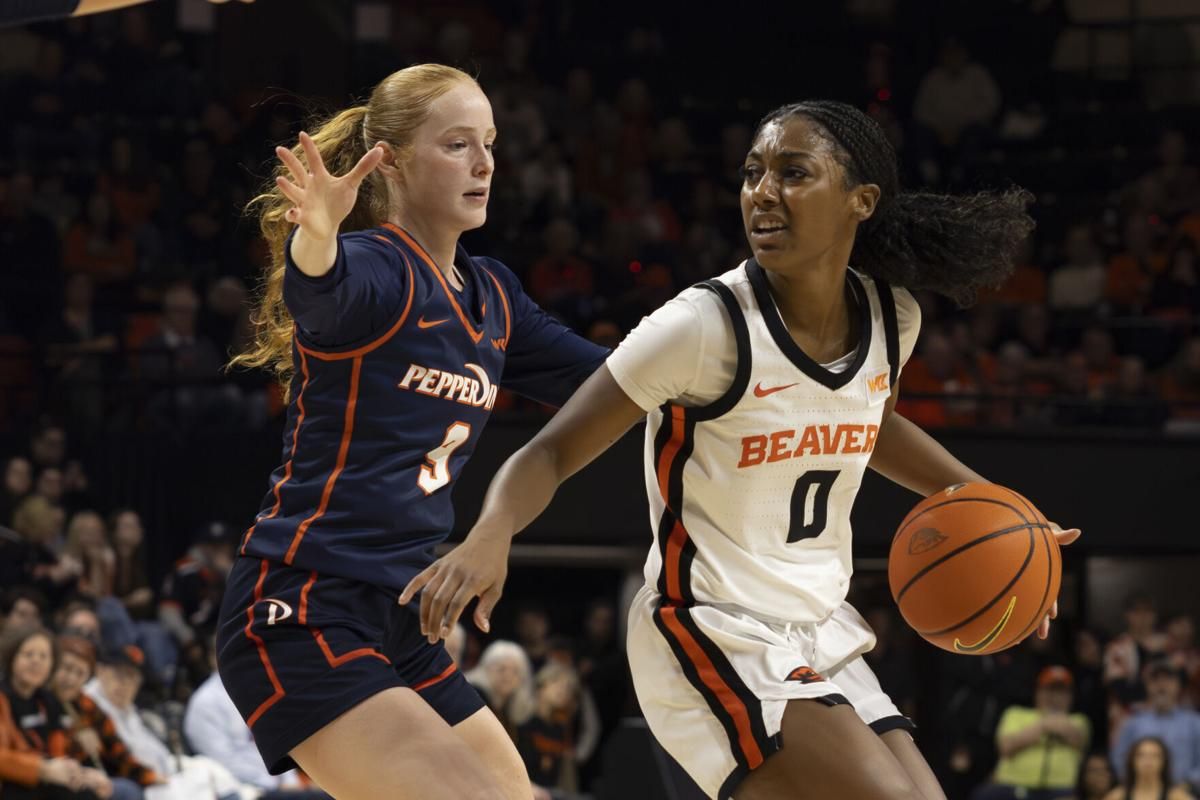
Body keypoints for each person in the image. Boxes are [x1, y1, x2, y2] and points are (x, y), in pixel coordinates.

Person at [402, 100, 1079, 800]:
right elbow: (550, 450)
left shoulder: (890, 316)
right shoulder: (703, 326)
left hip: (819, 627)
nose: (762, 191)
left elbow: (867, 419)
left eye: (794, 172)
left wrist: (1001, 507)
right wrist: (491, 532)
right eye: (753, 172)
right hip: (708, 626)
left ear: (862, 201)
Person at [215, 63, 606, 800]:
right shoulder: (377, 269)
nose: (484, 162)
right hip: (304, 609)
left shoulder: (494, 294)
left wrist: (712, 339)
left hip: (403, 620)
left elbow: (613, 383)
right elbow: (324, 297)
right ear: (389, 161)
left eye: (489, 143)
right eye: (458, 144)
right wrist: (317, 238)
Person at [0, 626, 111, 799]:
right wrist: (42, 769)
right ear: (12, 657)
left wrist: (81, 774)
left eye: (44, 656)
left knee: (91, 791)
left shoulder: (48, 701)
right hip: (10, 782)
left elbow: (56, 753)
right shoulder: (3, 698)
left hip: (39, 781)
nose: (36, 661)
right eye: (28, 654)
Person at [972, 665, 1091, 800]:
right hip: (1012, 787)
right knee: (982, 794)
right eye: (1049, 690)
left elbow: (1077, 738)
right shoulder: (1016, 714)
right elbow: (1006, 747)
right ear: (1038, 692)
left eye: (1061, 691)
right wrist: (1044, 725)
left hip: (1059, 791)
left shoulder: (1079, 720)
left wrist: (1046, 724)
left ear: (1070, 696)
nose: (1055, 697)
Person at [1111, 659, 1200, 791]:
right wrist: (1133, 786)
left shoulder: (1194, 723)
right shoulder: (1133, 723)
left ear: (1178, 685)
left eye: (1168, 679)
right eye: (1155, 680)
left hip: (1185, 793)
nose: (1161, 685)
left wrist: (1188, 784)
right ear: (1147, 686)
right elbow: (1119, 758)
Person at [1104, 737, 1195, 800]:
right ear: (1132, 761)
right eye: (1141, 755)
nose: (1148, 761)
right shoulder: (1117, 796)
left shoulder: (1177, 796)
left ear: (1164, 762)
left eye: (1155, 756)